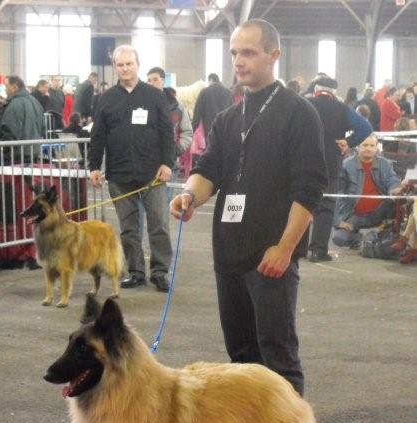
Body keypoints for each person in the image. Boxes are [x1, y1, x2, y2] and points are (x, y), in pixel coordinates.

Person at [170, 19, 327, 395]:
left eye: (249, 53)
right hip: (229, 256)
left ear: (274, 55)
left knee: (278, 361)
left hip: (270, 258)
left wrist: (285, 247)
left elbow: (310, 188)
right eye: (234, 53)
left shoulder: (299, 113)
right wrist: (190, 196)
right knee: (241, 360)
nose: (238, 62)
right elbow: (207, 171)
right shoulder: (227, 117)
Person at [89, 45, 175, 292]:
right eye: (120, 64)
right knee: (128, 228)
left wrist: (167, 163)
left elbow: (167, 133)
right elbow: (98, 136)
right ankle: (136, 271)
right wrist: (94, 166)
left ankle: (159, 272)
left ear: (138, 65)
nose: (125, 68)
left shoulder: (156, 96)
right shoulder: (105, 99)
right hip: (119, 174)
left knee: (159, 224)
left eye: (129, 64)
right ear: (115, 67)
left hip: (153, 174)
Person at [307, 76, 372, 262]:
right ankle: (318, 251)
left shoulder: (304, 104)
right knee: (326, 206)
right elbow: (365, 127)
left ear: (316, 89)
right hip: (330, 162)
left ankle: (298, 249)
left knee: (301, 203)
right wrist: (348, 142)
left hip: (303, 161)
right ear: (334, 92)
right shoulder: (342, 108)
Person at [333, 134, 406, 248]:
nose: (368, 148)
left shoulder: (385, 164)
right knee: (338, 238)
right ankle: (365, 239)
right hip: (354, 215)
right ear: (358, 147)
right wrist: (338, 221)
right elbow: (336, 194)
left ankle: (377, 236)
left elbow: (392, 180)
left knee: (398, 204)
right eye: (365, 145)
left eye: (372, 145)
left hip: (380, 212)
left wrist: (394, 190)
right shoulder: (346, 165)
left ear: (377, 147)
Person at [147, 66, 192, 185]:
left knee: (163, 203)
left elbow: (187, 132)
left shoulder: (177, 106)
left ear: (163, 80)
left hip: (169, 164)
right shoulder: (141, 105)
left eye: (155, 79)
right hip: (145, 163)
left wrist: (175, 150)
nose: (151, 83)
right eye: (149, 80)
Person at [0, 75, 45, 164]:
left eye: (6, 86)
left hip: (15, 157)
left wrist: (1, 151)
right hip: (32, 153)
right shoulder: (35, 102)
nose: (5, 89)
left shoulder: (14, 105)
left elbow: (10, 132)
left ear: (14, 87)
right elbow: (43, 128)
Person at [192, 72, 233, 138]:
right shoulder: (228, 93)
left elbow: (197, 112)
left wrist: (193, 128)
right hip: (225, 129)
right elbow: (232, 112)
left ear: (210, 80)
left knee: (210, 146)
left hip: (209, 129)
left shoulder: (204, 92)